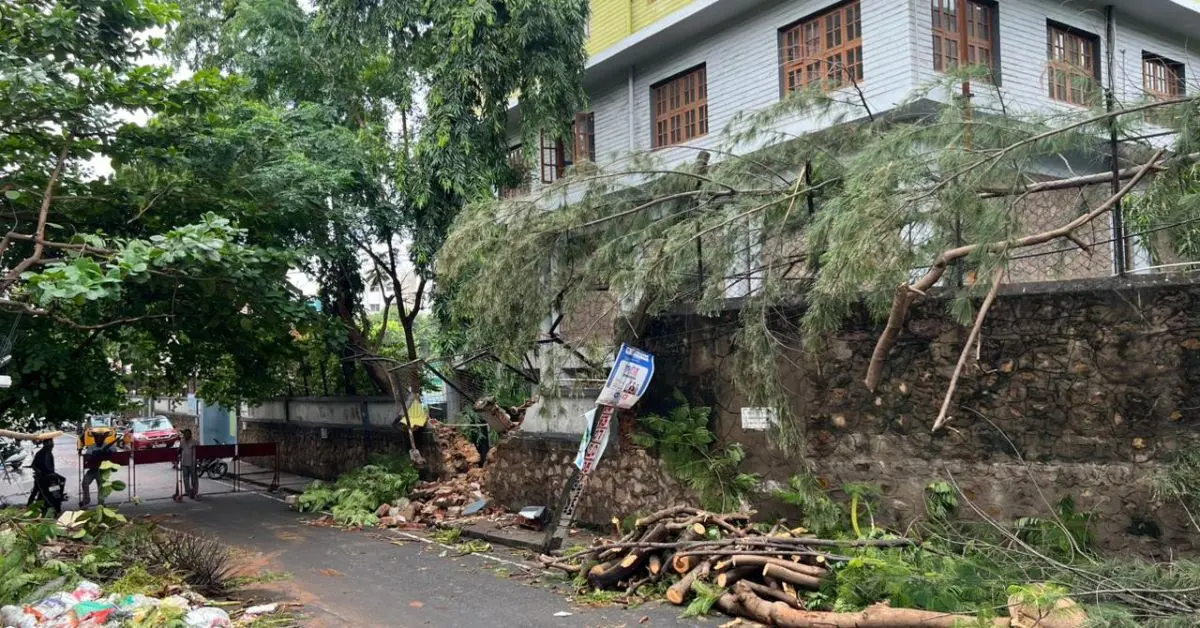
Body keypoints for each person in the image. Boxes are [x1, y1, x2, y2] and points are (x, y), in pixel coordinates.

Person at [27, 438, 64, 515]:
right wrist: (38, 471)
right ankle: (30, 506)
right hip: (42, 477)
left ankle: (55, 505)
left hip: (50, 476)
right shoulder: (40, 453)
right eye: (50, 443)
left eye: (52, 443)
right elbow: (33, 465)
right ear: (45, 444)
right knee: (37, 491)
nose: (52, 445)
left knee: (61, 481)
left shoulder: (49, 453)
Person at [79, 439, 114, 508]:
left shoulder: (107, 445)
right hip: (92, 470)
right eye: (97, 437)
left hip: (101, 470)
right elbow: (88, 454)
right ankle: (86, 500)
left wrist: (108, 451)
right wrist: (94, 453)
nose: (98, 438)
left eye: (100, 437)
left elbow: (114, 451)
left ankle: (101, 502)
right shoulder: (92, 446)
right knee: (85, 483)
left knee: (101, 486)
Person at [179, 429, 198, 499]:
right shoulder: (182, 442)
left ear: (190, 434)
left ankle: (195, 492)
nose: (186, 435)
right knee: (185, 478)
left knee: (194, 478)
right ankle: (188, 492)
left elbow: (199, 451)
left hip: (192, 462)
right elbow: (180, 450)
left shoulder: (195, 442)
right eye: (185, 434)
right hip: (184, 462)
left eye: (188, 434)